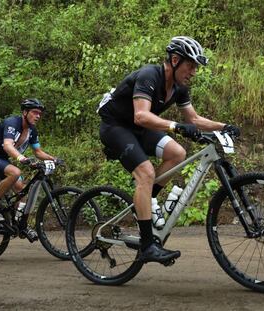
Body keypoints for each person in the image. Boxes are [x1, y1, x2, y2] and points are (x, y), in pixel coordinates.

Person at [97, 36, 240, 263]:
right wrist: (175, 126)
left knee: (177, 153)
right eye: (190, 65)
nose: (193, 71)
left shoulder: (179, 88)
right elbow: (141, 115)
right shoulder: (149, 75)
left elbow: (193, 118)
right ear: (175, 60)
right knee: (145, 173)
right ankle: (146, 246)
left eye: (195, 67)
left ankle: (143, 204)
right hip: (116, 127)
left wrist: (225, 127)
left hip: (139, 129)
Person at [0, 98, 56, 242]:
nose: (38, 116)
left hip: (2, 160)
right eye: (35, 112)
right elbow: (7, 145)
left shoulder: (32, 130)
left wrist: (54, 159)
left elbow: (38, 152)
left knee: (22, 192)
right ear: (25, 112)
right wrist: (22, 158)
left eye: (40, 113)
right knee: (15, 172)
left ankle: (19, 224)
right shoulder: (12, 123)